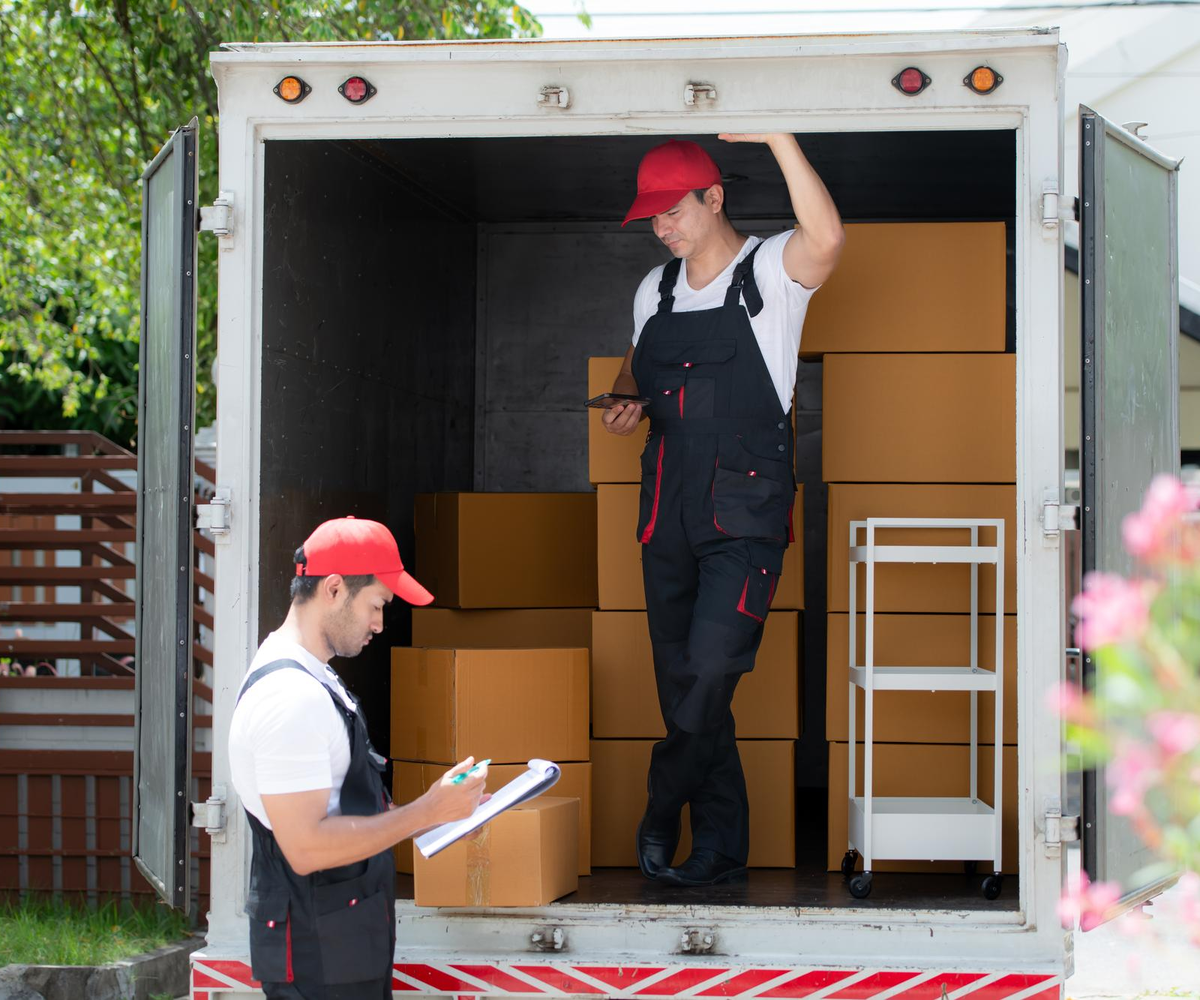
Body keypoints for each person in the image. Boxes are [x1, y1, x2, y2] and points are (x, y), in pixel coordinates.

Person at [604, 134, 843, 888]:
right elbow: (636, 364)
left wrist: (776, 136)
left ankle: (659, 806)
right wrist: (626, 402)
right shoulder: (656, 290)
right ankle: (718, 850)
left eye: (673, 212)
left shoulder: (772, 273)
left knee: (710, 671)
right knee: (683, 685)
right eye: (652, 218)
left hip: (745, 513)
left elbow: (829, 236)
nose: (662, 228)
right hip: (667, 510)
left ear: (714, 199)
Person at [228, 516, 487, 998]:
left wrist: (439, 809)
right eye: (376, 605)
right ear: (333, 588)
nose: (379, 624)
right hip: (318, 963)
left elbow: (334, 805)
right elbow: (305, 848)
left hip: (339, 952)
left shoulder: (314, 679)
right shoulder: (291, 698)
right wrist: (424, 812)